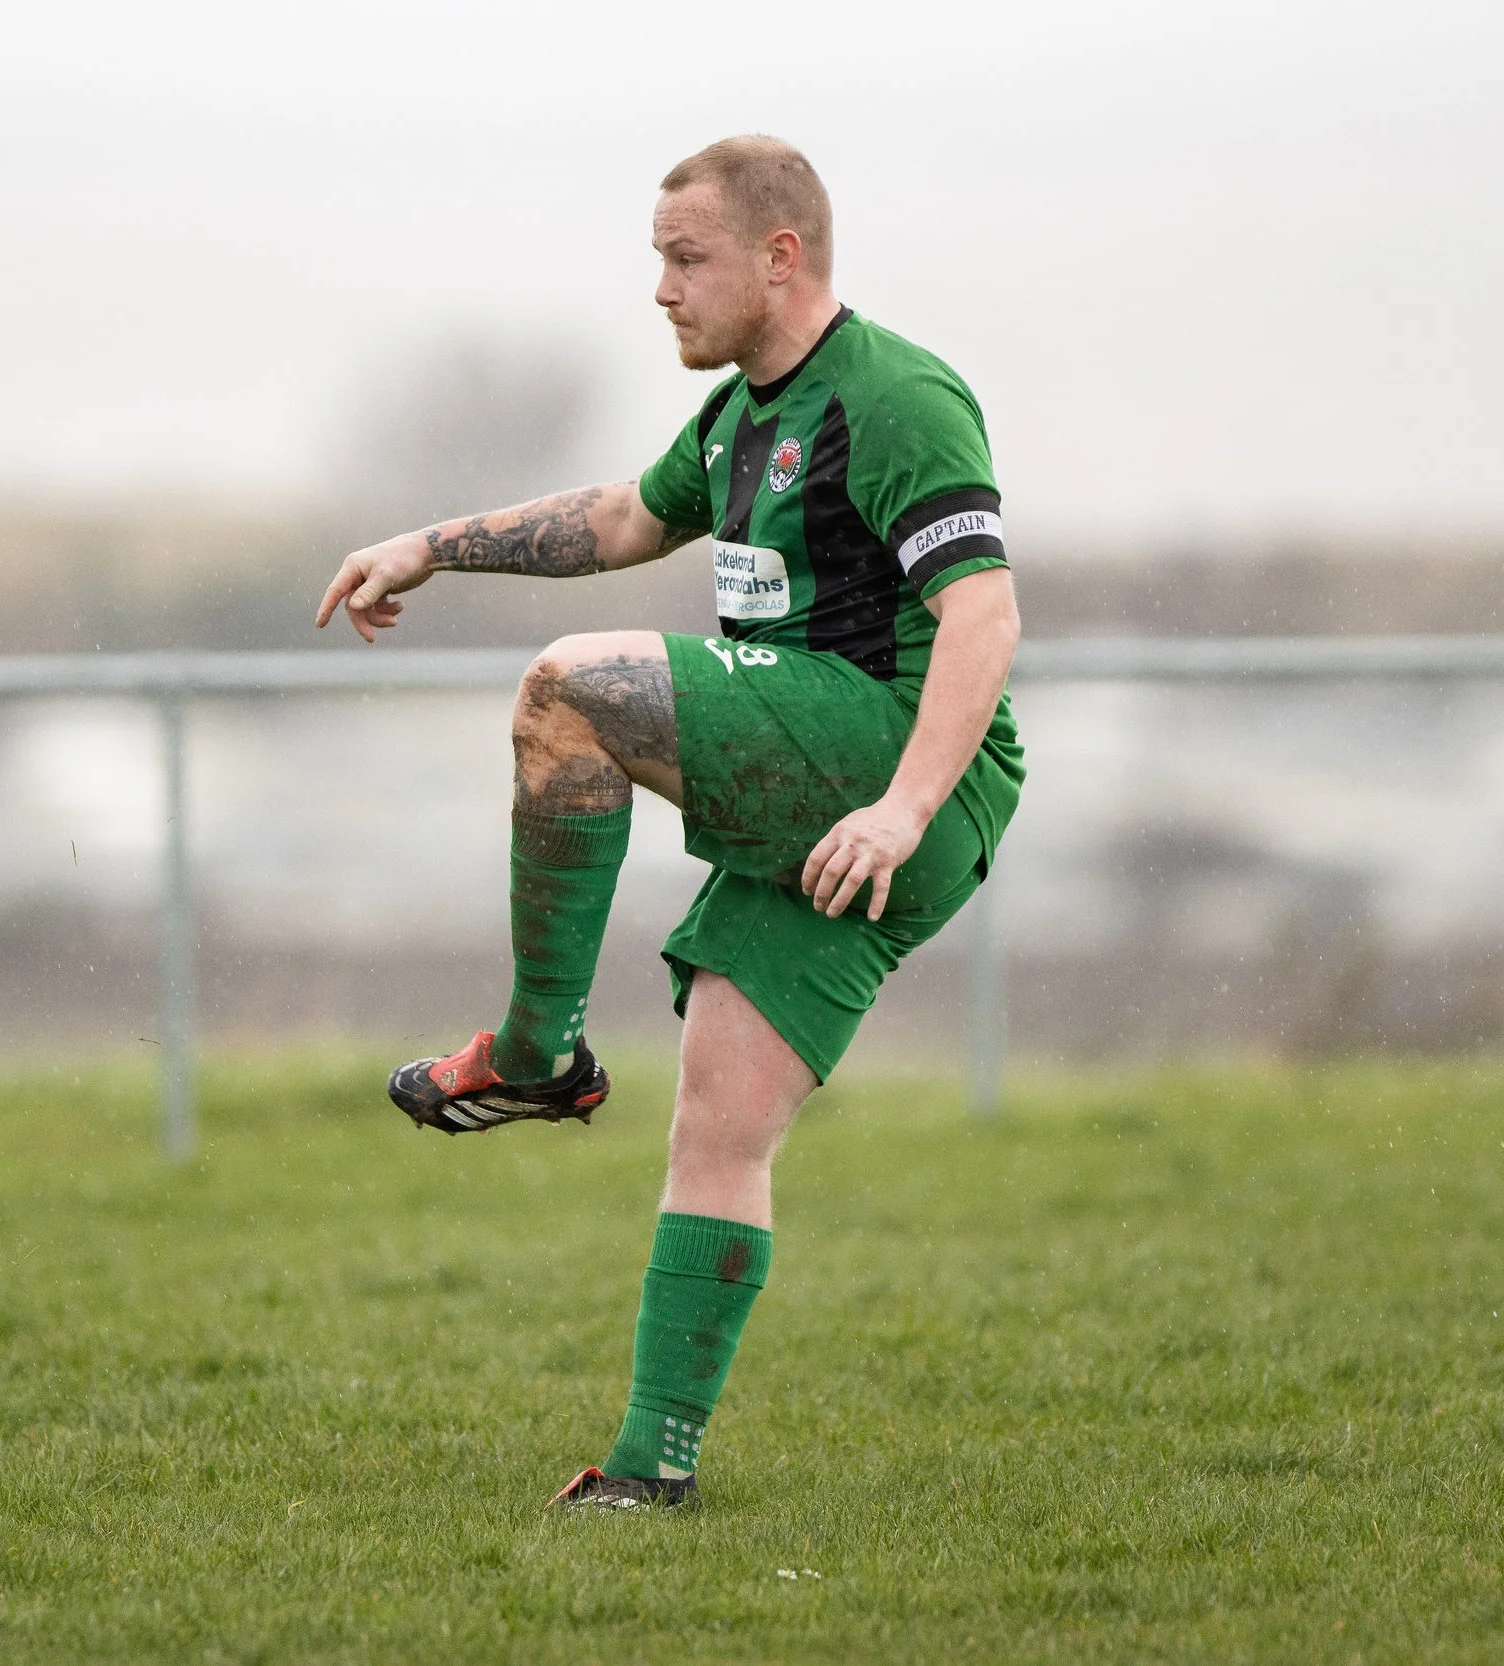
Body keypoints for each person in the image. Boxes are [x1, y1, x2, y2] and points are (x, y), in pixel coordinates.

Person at [314, 135, 1024, 1510]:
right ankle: (651, 1472)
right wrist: (433, 543)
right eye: (655, 258)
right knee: (720, 1117)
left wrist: (901, 802)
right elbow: (628, 519)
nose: (659, 288)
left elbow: (984, 617)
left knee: (570, 690)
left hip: (891, 762)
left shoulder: (897, 396)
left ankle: (534, 1050)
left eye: (684, 258)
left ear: (781, 255)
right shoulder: (738, 418)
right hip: (833, 797)